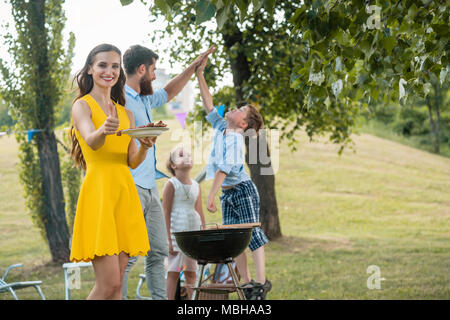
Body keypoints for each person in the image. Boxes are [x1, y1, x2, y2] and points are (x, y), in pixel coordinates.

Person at [121, 44, 215, 300]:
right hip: (131, 186)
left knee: (159, 250)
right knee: (128, 256)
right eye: (152, 70)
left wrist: (193, 68)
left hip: (150, 187)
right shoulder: (119, 99)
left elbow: (169, 92)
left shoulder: (144, 98)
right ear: (142, 69)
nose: (153, 75)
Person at [69, 43, 154, 300]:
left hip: (124, 194)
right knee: (107, 284)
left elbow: (131, 161)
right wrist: (104, 128)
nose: (109, 71)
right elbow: (91, 142)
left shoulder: (126, 113)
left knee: (118, 285)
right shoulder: (82, 106)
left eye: (115, 66)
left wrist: (146, 146)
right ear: (91, 69)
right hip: (100, 195)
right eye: (103, 65)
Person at [195, 50, 272, 300]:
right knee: (234, 239)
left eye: (241, 109)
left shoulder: (236, 141)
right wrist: (199, 74)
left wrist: (210, 196)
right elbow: (208, 103)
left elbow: (223, 169)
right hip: (229, 193)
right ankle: (246, 283)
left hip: (241, 190)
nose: (235, 108)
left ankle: (260, 283)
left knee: (252, 233)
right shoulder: (221, 127)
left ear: (243, 124)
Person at [162, 146, 206, 300]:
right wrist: (168, 239)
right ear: (173, 165)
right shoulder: (171, 184)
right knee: (173, 272)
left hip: (192, 234)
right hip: (176, 234)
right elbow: (166, 212)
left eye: (189, 155)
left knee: (192, 273)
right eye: (181, 155)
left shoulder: (196, 186)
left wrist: (204, 234)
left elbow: (199, 211)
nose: (187, 157)